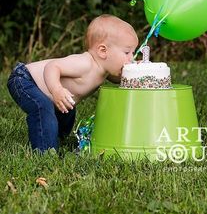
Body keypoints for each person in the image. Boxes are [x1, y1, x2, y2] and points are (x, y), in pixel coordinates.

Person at [7, 14, 138, 153]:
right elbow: (52, 67)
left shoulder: (104, 69)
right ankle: (44, 151)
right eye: (127, 52)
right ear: (103, 51)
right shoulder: (85, 63)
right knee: (42, 107)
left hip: (39, 86)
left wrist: (136, 72)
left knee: (67, 107)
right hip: (24, 80)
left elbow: (120, 79)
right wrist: (56, 90)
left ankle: (58, 138)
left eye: (133, 53)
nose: (132, 58)